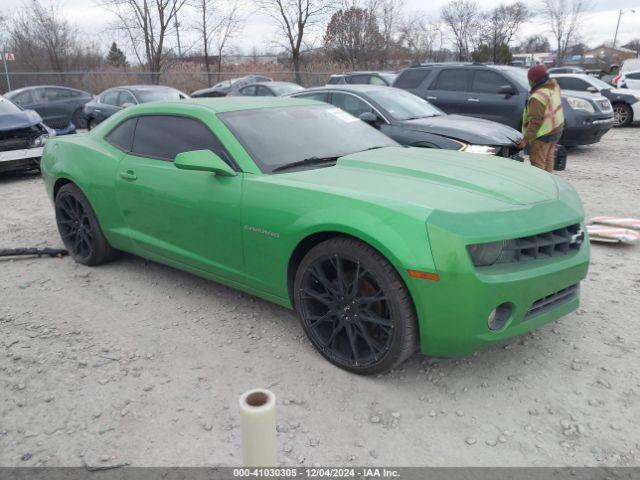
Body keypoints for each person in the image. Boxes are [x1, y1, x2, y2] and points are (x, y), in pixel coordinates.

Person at [517, 64, 564, 173]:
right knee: (548, 159)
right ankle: (549, 184)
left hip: (543, 134)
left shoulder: (538, 97)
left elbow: (535, 122)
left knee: (537, 163)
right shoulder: (554, 86)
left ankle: (540, 186)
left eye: (530, 80)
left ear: (534, 80)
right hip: (556, 129)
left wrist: (525, 139)